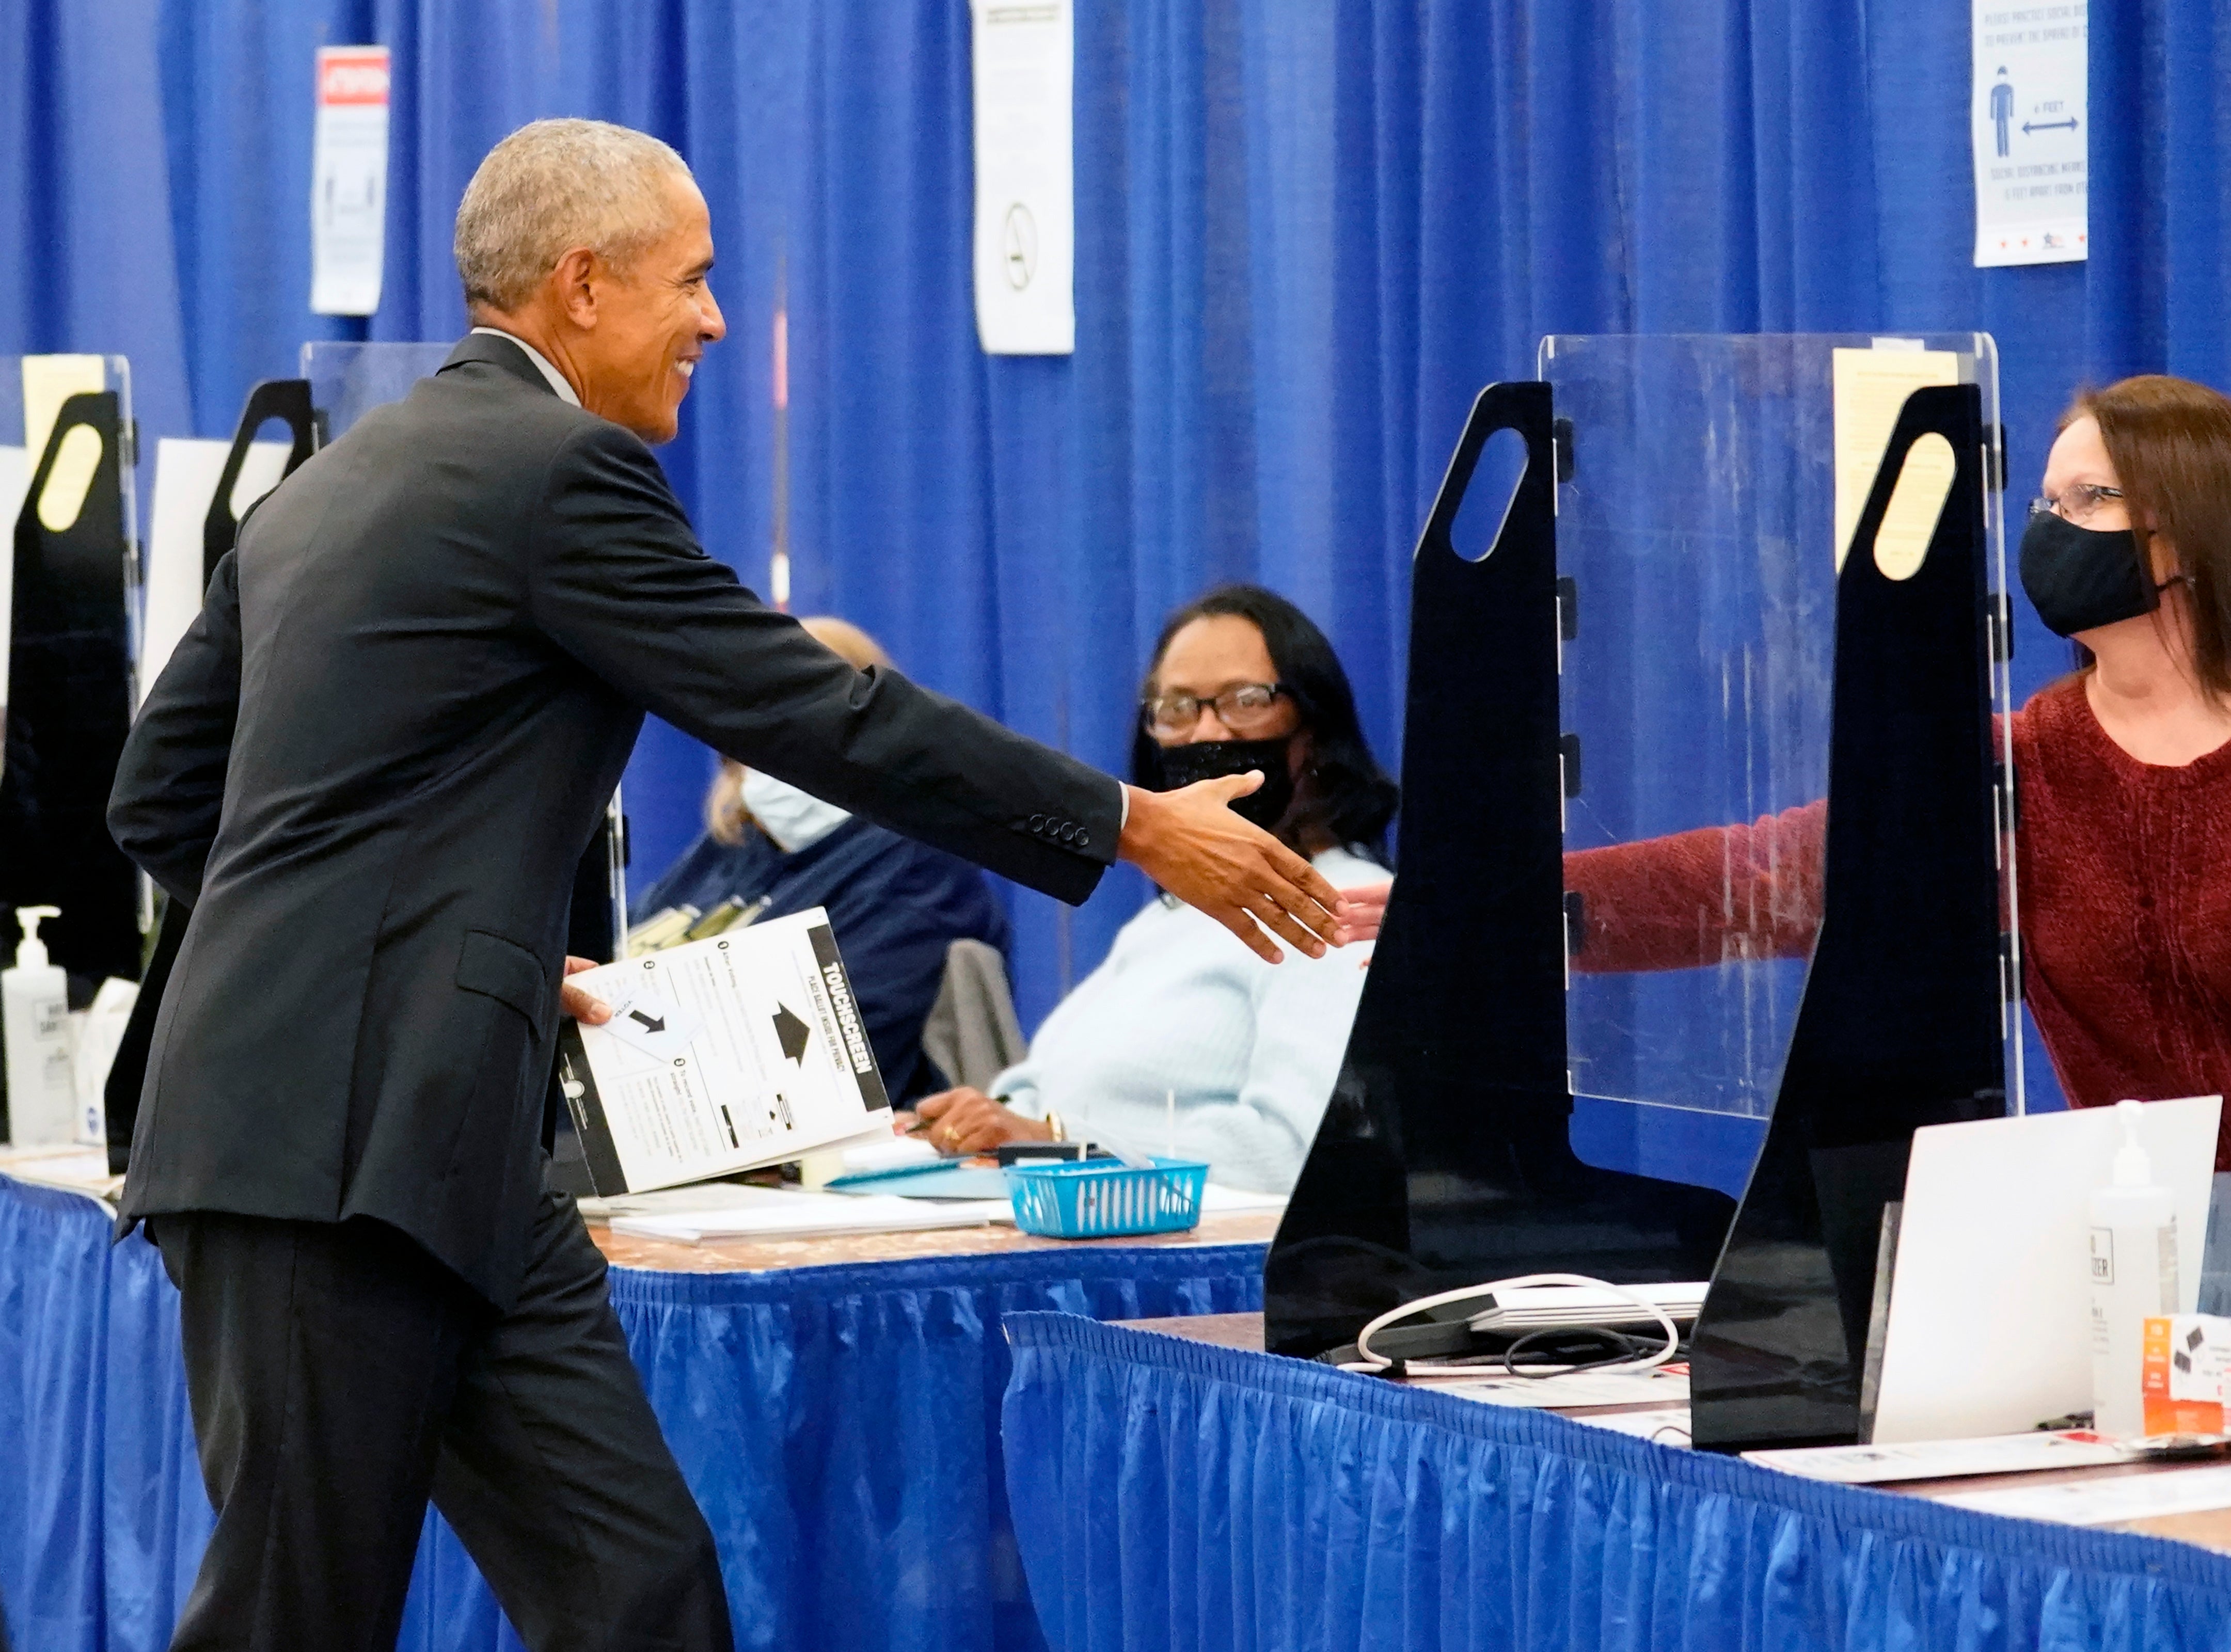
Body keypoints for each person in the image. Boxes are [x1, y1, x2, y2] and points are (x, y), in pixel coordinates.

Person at [107, 119, 1337, 1652]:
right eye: (689, 280)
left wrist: (440, 949)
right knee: (299, 1618)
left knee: (641, 1594)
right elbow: (829, 712)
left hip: (453, 1142)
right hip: (321, 1145)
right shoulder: (559, 472)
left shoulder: (330, 485)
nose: (716, 318)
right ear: (580, 287)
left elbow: (161, 795)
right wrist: (1130, 824)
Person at [1339, 375, 2231, 1359]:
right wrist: (1475, 908)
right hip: (2190, 1310)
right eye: (2043, 501)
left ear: (2197, 531)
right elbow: (1757, 877)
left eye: (2093, 500)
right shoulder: (2015, 769)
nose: (2052, 527)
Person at [911, 585, 1395, 1193]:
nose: (1203, 734)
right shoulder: (1168, 919)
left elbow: (1299, 1152)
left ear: (1317, 731)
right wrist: (961, 1124)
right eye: (1175, 708)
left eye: (1246, 701)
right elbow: (1041, 1091)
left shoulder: (1346, 910)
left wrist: (1060, 1143)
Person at [630, 616, 1010, 1102]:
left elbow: (820, 1058)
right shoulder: (723, 853)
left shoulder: (918, 869)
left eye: (796, 708)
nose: (768, 733)